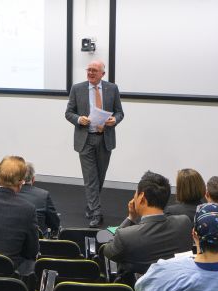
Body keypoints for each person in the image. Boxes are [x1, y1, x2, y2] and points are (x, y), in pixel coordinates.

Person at [65, 60, 125, 228]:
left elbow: (120, 112)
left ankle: (91, 205)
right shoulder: (77, 89)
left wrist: (115, 120)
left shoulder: (112, 89)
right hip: (85, 139)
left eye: (94, 70)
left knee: (99, 177)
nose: (90, 73)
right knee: (90, 178)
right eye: (88, 70)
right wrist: (78, 119)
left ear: (102, 74)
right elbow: (68, 113)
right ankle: (96, 213)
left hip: (104, 138)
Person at [101, 171, 192, 278]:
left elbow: (108, 251)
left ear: (141, 197)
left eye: (135, 194)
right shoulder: (184, 223)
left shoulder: (125, 235)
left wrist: (130, 218)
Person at [18, 162, 60, 236]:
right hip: (39, 242)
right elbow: (55, 224)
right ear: (33, 179)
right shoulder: (43, 195)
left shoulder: (8, 194)